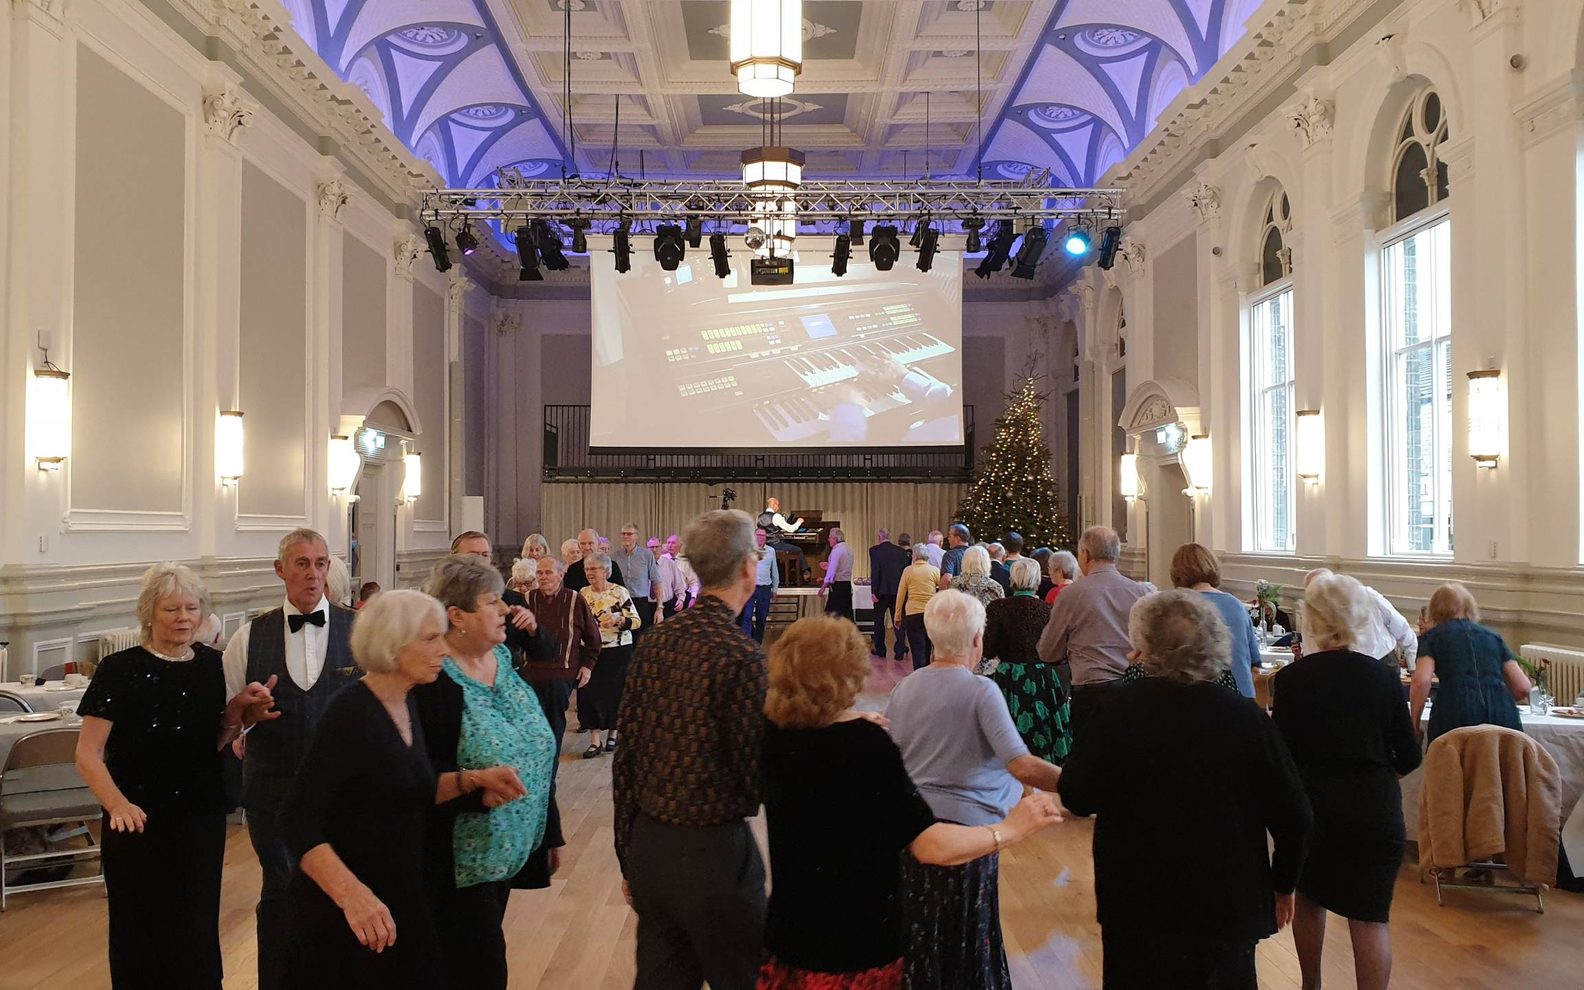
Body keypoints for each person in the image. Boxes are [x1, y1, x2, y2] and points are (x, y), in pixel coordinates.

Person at [760, 616, 1063, 988]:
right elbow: (931, 846)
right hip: (854, 946)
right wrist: (1010, 829)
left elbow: (815, 746)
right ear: (849, 674)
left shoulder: (773, 736)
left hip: (788, 935)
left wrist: (855, 719)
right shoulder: (865, 747)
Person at [1060, 591, 1312, 987]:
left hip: (1137, 897)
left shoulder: (1117, 709)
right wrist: (1283, 884)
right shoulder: (1246, 718)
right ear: (1215, 642)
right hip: (1228, 899)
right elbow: (1295, 815)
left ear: (1144, 646)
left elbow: (1077, 795)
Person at [75, 563, 279, 988]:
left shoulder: (212, 665)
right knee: (141, 929)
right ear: (149, 613)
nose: (184, 617)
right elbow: (88, 754)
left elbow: (214, 741)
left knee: (197, 925)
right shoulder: (120, 668)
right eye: (172, 609)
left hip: (199, 816)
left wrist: (239, 714)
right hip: (137, 819)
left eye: (192, 608)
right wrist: (118, 805)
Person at [613, 509, 768, 990]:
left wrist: (628, 856)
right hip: (714, 855)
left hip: (652, 850)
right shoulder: (741, 657)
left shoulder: (655, 642)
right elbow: (755, 775)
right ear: (748, 567)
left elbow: (628, 759)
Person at [887, 590, 1065, 990]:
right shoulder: (981, 690)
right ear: (977, 640)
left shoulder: (905, 689)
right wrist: (1077, 784)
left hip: (915, 834)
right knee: (969, 942)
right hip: (969, 838)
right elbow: (1020, 763)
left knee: (926, 940)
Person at [280, 590, 448, 987]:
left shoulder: (409, 702)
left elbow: (399, 789)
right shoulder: (351, 712)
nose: (444, 649)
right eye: (430, 638)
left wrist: (476, 781)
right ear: (392, 644)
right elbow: (297, 819)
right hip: (346, 916)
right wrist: (353, 897)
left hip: (400, 898)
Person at [222, 528, 362, 990]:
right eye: (302, 564)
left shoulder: (358, 630)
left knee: (339, 887)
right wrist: (245, 715)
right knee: (281, 887)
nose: (313, 574)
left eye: (321, 563)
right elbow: (227, 722)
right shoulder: (249, 637)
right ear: (280, 570)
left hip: (341, 791)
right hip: (272, 787)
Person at [1271, 573, 1422, 990]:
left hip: (1313, 808)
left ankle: (1310, 985)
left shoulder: (1291, 681)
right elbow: (1409, 755)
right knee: (1370, 918)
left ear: (1313, 620)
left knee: (1310, 899)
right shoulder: (1383, 679)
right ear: (1358, 618)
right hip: (1374, 809)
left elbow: (1281, 758)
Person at [415, 556, 558, 989]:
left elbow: (536, 747)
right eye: (492, 602)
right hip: (459, 862)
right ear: (456, 616)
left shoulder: (500, 656)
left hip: (508, 853)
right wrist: (476, 788)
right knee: (477, 970)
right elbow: (416, 774)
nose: (505, 610)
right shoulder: (433, 679)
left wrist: (548, 831)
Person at [1036, 526, 1148, 747]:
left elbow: (1048, 652)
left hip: (1092, 691)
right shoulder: (1140, 592)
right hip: (1133, 690)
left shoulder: (1071, 594)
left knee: (1092, 761)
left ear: (1085, 554)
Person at [1411, 581, 1530, 742]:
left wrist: (1414, 723)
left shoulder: (1431, 639)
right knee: (1502, 765)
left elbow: (1422, 681)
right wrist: (1498, 698)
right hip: (1501, 715)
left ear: (1434, 610)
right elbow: (1522, 687)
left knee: (1453, 765)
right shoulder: (1493, 638)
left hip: (1454, 710)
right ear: (1469, 607)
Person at [985, 559, 1071, 765]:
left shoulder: (997, 608)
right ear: (1038, 580)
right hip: (1042, 679)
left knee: (1007, 731)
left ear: (1012, 579)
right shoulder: (1047, 610)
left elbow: (988, 649)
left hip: (1009, 678)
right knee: (1045, 730)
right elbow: (1058, 649)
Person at [522, 556, 601, 763]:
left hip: (561, 674)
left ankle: (550, 772)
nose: (543, 577)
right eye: (539, 573)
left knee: (555, 726)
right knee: (533, 727)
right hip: (530, 675)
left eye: (548, 572)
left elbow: (593, 639)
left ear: (560, 574)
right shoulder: (527, 600)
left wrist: (587, 666)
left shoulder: (575, 600)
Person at [450, 531, 559, 667]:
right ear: (454, 559)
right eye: (473, 555)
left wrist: (533, 629)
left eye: (485, 555)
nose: (480, 561)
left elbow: (545, 653)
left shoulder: (511, 600)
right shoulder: (443, 601)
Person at [1171, 543, 1259, 699]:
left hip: (1199, 699)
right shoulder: (1237, 605)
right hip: (1242, 697)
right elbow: (1254, 664)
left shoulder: (1179, 606)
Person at [577, 554, 640, 757]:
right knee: (590, 693)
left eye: (594, 569)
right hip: (592, 650)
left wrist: (618, 619)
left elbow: (636, 621)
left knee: (615, 693)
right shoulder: (583, 594)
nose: (589, 573)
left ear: (606, 571)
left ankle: (613, 734)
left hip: (618, 649)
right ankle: (595, 741)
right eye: (587, 569)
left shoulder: (619, 592)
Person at [1304, 568, 1417, 667]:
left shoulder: (1367, 595)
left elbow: (1401, 627)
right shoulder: (1312, 611)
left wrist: (1412, 664)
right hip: (1342, 665)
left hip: (1382, 660)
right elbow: (1310, 651)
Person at [895, 544, 941, 670]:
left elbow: (901, 595)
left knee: (917, 648)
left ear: (914, 556)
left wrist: (897, 616)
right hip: (930, 613)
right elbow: (943, 589)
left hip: (913, 613)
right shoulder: (935, 570)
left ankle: (919, 675)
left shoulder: (908, 571)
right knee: (927, 646)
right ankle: (928, 671)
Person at [869, 529, 912, 661]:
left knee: (879, 621)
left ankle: (880, 649)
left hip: (881, 592)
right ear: (889, 537)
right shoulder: (901, 552)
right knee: (898, 620)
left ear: (879, 537)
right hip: (897, 592)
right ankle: (899, 650)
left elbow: (875, 571)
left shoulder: (874, 550)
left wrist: (873, 592)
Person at [613, 522, 663, 632]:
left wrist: (659, 608)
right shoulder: (615, 556)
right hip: (621, 602)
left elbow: (657, 582)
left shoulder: (646, 555)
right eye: (623, 534)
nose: (625, 536)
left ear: (636, 536)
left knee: (641, 637)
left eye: (629, 534)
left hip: (641, 603)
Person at [740, 527, 780, 643]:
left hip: (764, 588)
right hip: (750, 587)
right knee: (746, 617)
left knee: (761, 618)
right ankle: (746, 643)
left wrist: (775, 588)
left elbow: (774, 570)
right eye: (758, 535)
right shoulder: (748, 550)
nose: (760, 538)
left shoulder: (771, 551)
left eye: (763, 536)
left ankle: (758, 643)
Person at [758, 496, 807, 581]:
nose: (778, 507)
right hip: (775, 544)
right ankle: (805, 572)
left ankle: (781, 576)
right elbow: (790, 529)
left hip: (765, 546)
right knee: (798, 550)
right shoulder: (776, 516)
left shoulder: (759, 517)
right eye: (777, 505)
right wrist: (799, 522)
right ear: (774, 505)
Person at [949, 544, 1005, 609]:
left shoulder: (954, 583)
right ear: (986, 562)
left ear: (964, 561)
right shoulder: (994, 586)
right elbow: (1001, 612)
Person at [819, 528, 855, 620]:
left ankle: (832, 634)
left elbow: (832, 572)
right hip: (846, 585)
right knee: (846, 615)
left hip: (837, 587)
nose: (828, 540)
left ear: (835, 538)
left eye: (830, 538)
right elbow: (842, 567)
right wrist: (828, 565)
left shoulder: (836, 551)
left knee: (832, 616)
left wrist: (823, 587)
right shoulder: (849, 549)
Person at [656, 533, 689, 617]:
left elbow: (694, 583)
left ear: (679, 545)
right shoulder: (662, 559)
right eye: (668, 543)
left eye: (673, 543)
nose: (670, 545)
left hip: (678, 596)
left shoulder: (685, 561)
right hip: (657, 599)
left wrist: (691, 598)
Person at [936, 523, 971, 589]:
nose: (948, 539)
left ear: (957, 538)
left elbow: (947, 578)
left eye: (950, 536)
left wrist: (941, 594)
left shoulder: (950, 555)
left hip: (956, 595)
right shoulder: (975, 554)